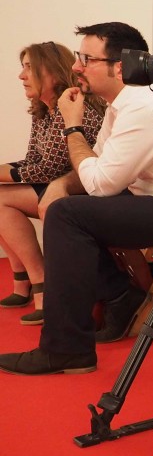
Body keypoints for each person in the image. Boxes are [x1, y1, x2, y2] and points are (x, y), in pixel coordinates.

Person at [0, 22, 153, 374]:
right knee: (66, 208)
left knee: (67, 215)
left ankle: (68, 346)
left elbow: (100, 183)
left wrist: (72, 126)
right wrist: (62, 184)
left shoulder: (143, 108)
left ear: (119, 66)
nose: (76, 66)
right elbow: (96, 168)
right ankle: (116, 298)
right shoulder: (122, 106)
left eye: (86, 59)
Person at [0, 42, 104, 327]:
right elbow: (33, 160)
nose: (21, 76)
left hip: (82, 189)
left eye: (29, 67)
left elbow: (50, 168)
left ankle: (41, 285)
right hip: (57, 185)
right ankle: (22, 280)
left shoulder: (70, 106)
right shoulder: (44, 109)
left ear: (54, 73)